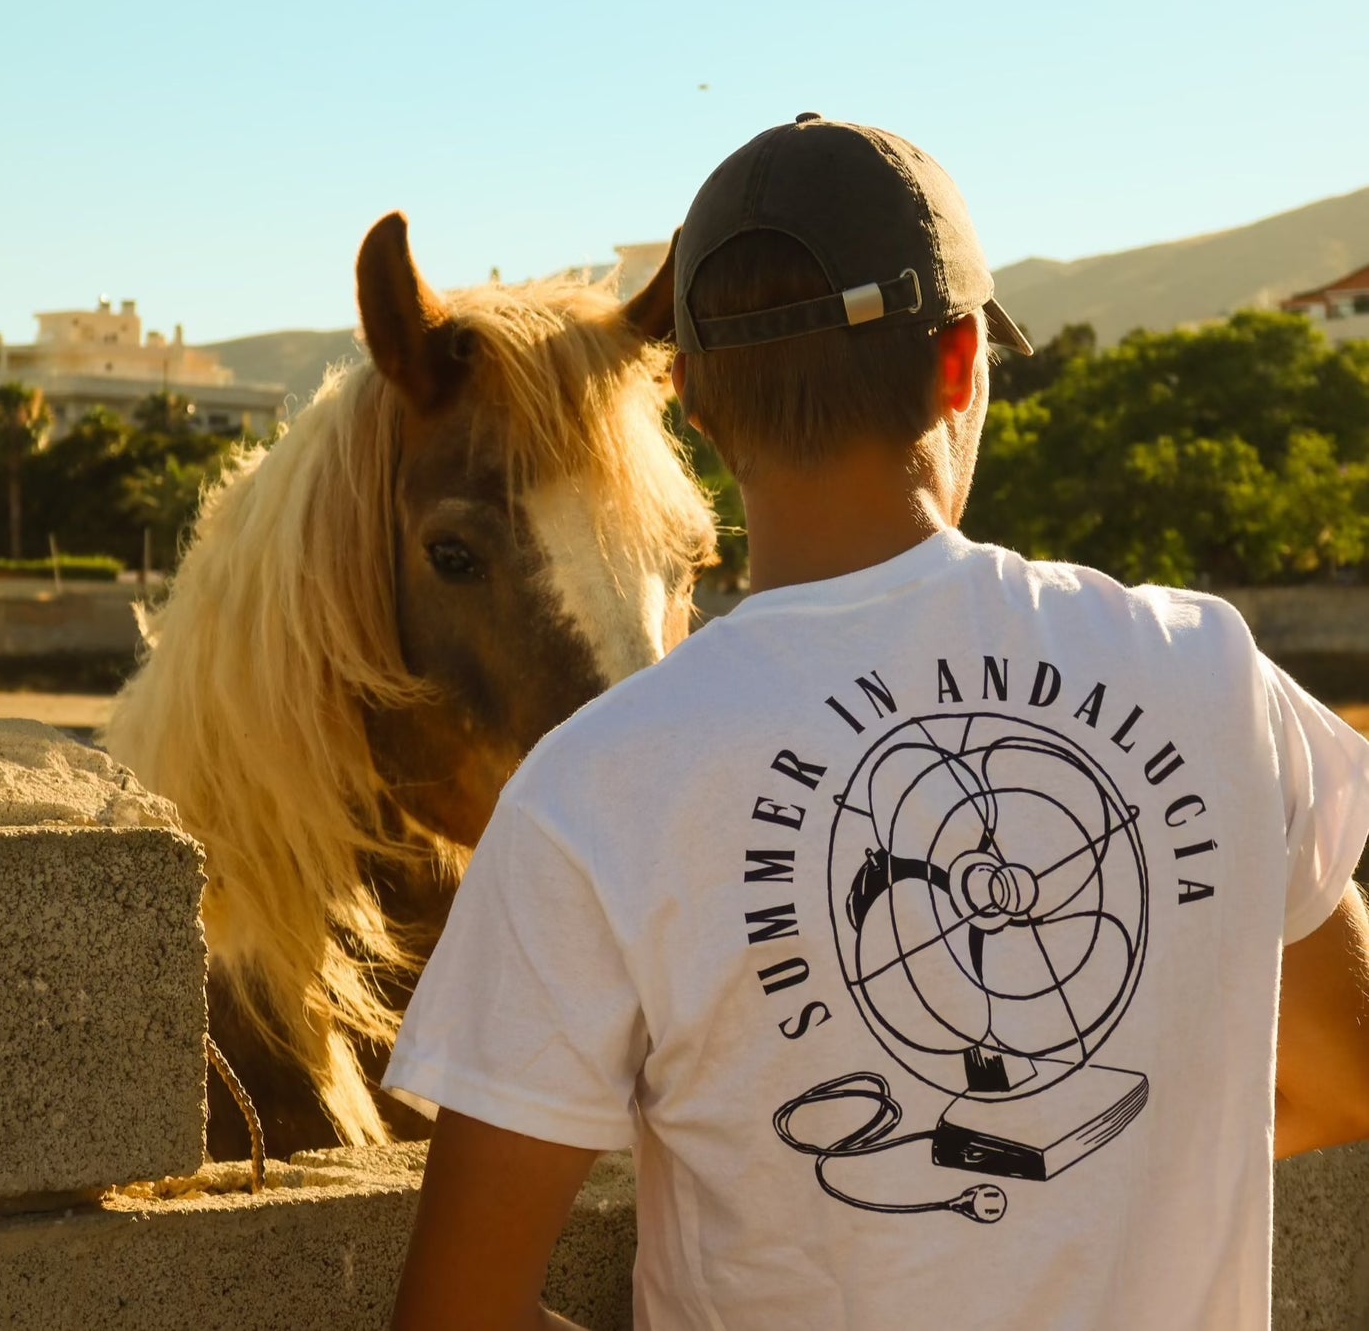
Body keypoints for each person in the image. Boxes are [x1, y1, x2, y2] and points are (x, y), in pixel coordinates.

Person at [382, 115, 1369, 1330]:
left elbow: (456, 1310)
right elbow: (1337, 1077)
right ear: (960, 364)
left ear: (688, 399)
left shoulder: (592, 786)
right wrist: (1068, 1193)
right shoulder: (1210, 670)